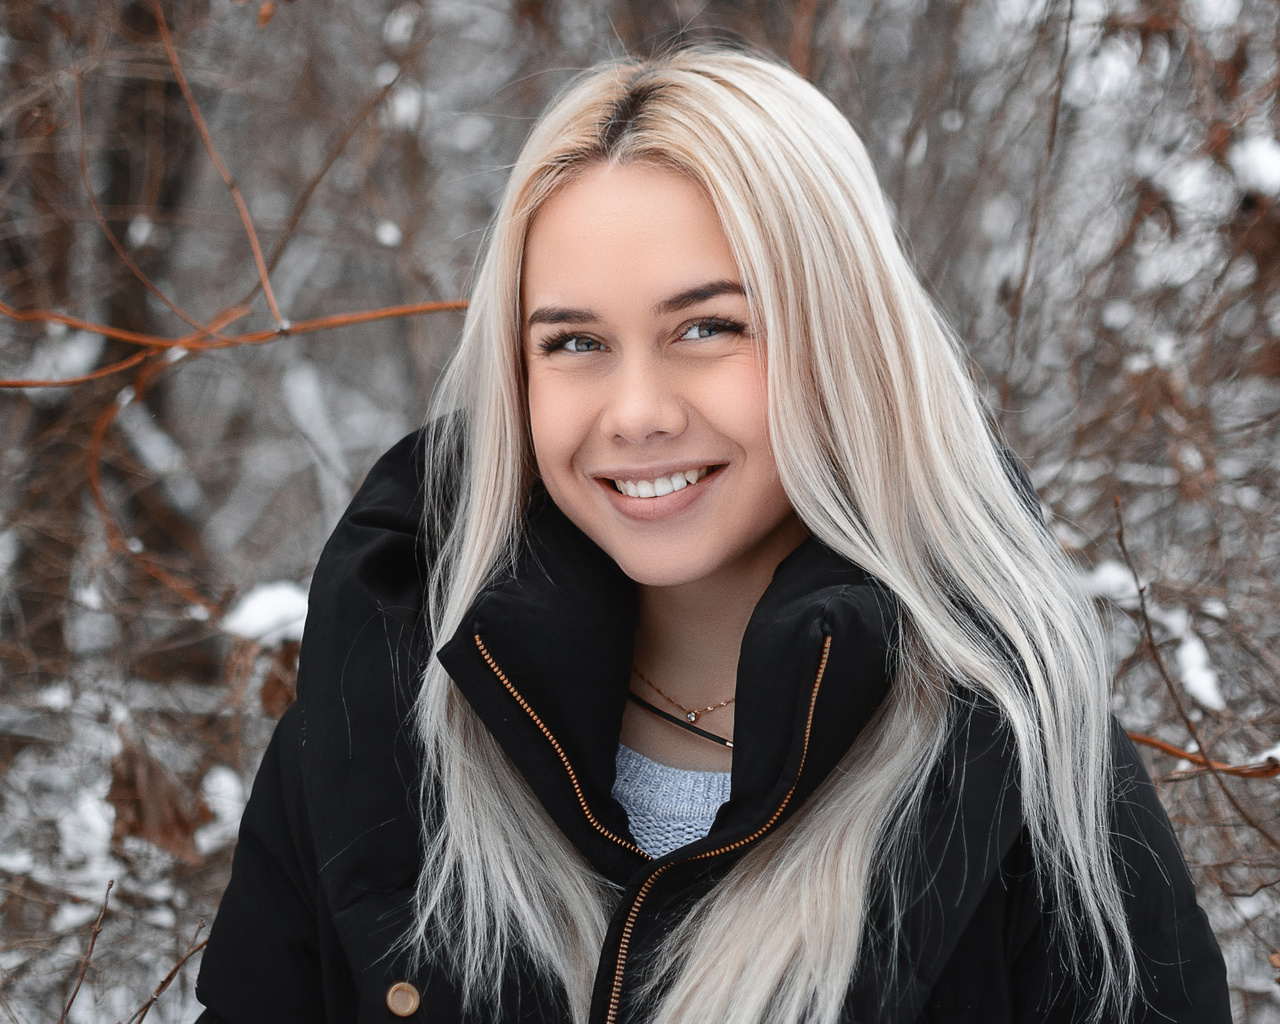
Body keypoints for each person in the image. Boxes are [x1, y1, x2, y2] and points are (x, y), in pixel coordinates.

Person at [194, 46, 1231, 1024]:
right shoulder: (385, 689)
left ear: (841, 339)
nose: (635, 410)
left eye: (706, 327)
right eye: (575, 342)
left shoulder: (1006, 741)